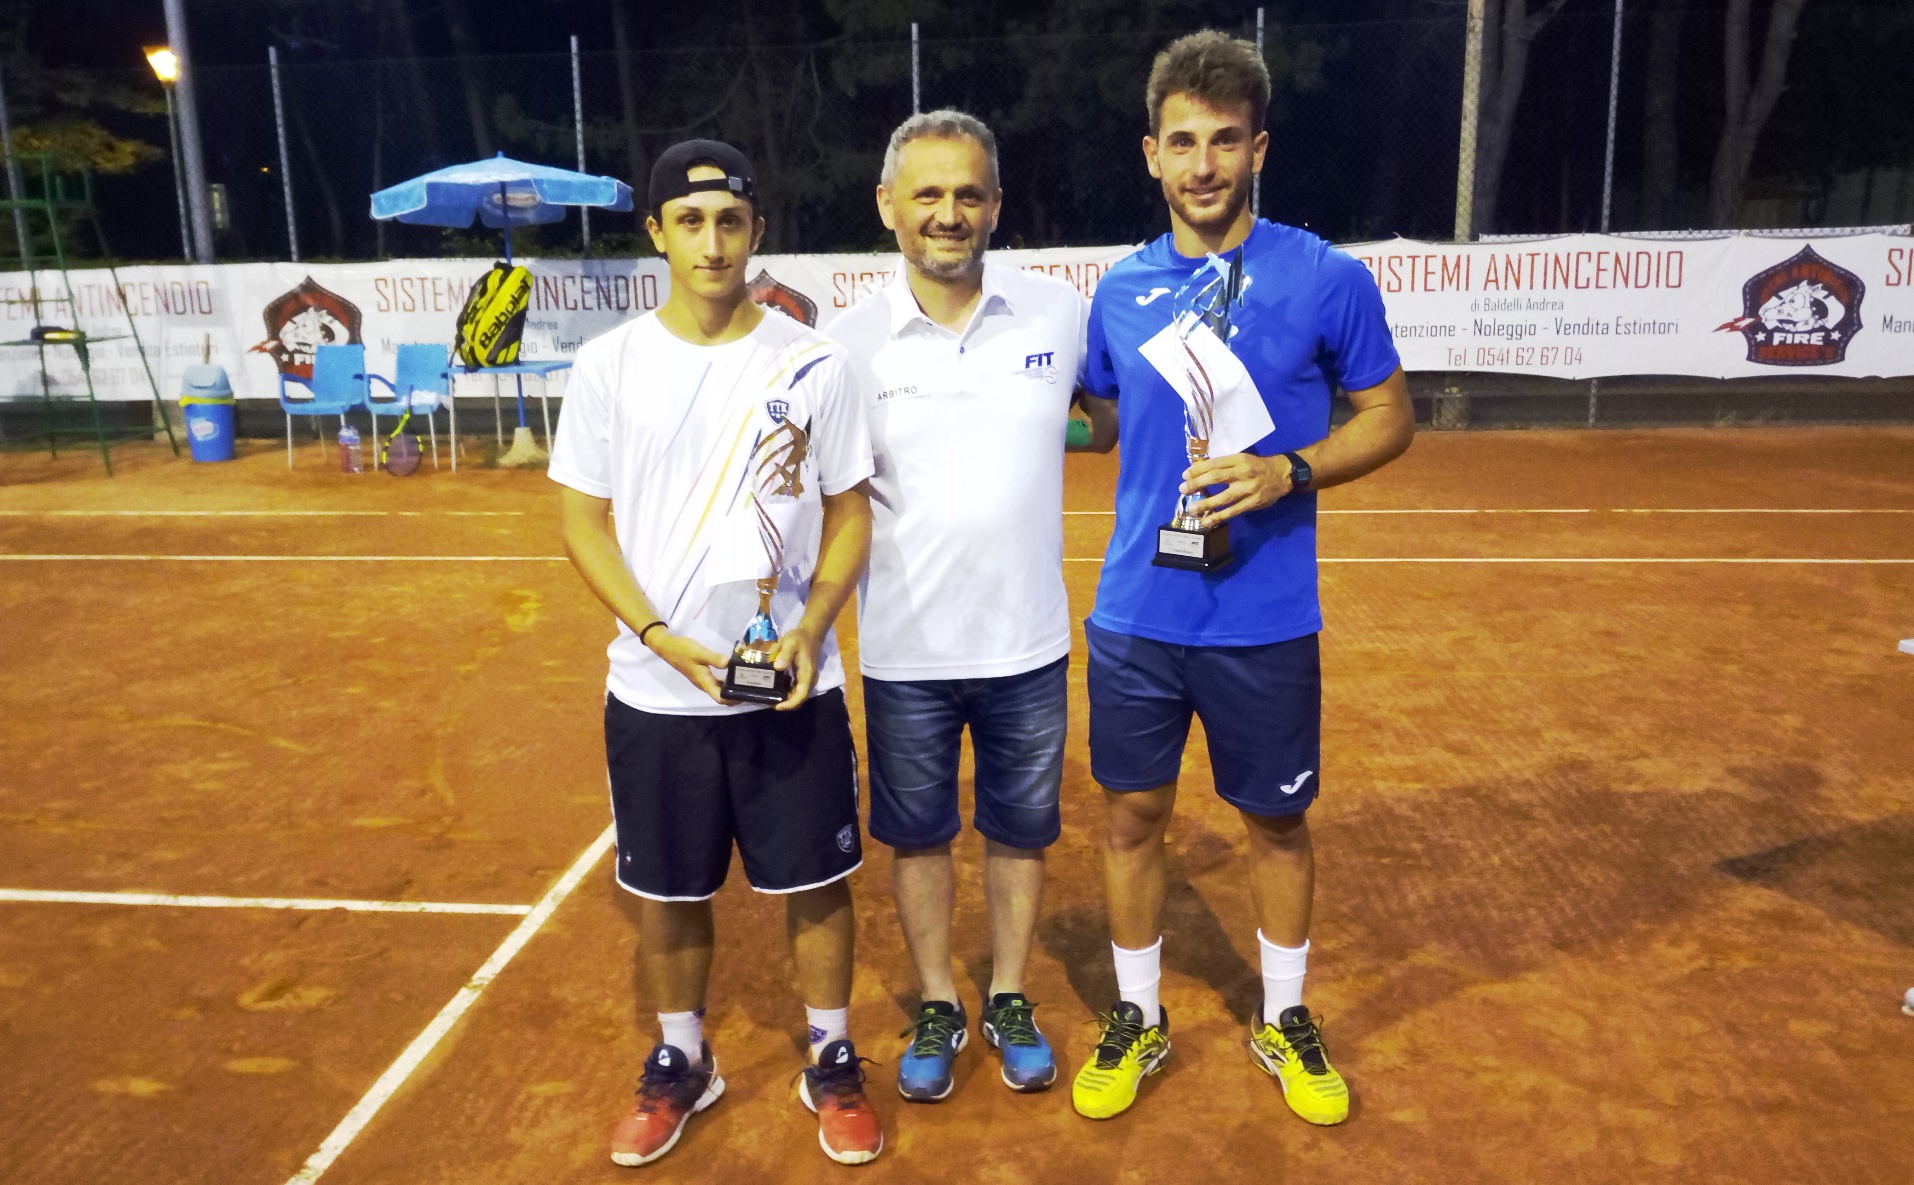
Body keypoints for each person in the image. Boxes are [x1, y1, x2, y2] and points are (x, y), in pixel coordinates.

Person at [1068, 32, 1414, 1125]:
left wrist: (1288, 471)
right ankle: (1139, 1015)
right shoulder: (1120, 290)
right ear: (1151, 155)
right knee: (1132, 817)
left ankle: (1284, 1015)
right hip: (1139, 611)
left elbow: (1391, 417)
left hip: (1264, 615)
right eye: (1183, 142)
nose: (1204, 163)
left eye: (1225, 140)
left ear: (1258, 149)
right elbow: (1096, 419)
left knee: (1275, 823)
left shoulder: (1324, 277)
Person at [549, 139, 884, 1168]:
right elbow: (582, 523)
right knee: (669, 890)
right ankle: (683, 1057)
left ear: (757, 231)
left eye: (730, 222)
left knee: (816, 883)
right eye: (689, 223)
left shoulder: (814, 362)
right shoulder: (608, 365)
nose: (712, 243)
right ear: (656, 233)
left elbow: (850, 511)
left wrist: (811, 628)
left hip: (791, 684)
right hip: (658, 691)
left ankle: (830, 1053)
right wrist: (657, 637)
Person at [829, 110, 1114, 1103]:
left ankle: (1008, 994)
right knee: (917, 836)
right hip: (903, 648)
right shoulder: (846, 343)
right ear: (888, 207)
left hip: (1028, 639)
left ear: (996, 205)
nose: (947, 214)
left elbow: (1108, 423)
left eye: (967, 194)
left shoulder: (1057, 314)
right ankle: (938, 1001)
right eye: (928, 195)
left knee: (1019, 831)